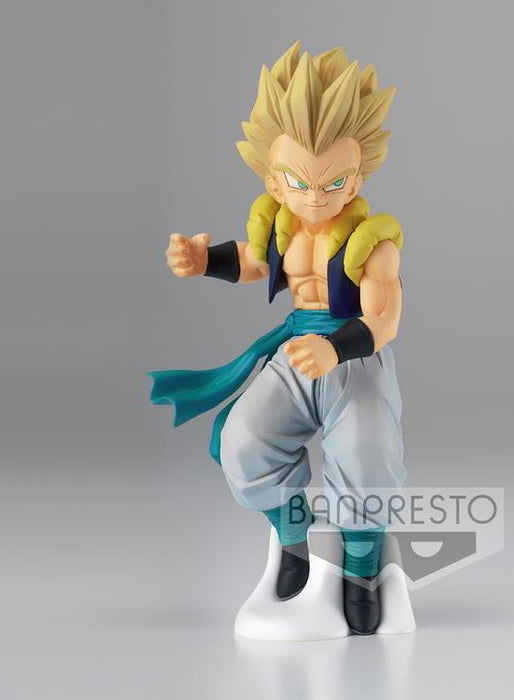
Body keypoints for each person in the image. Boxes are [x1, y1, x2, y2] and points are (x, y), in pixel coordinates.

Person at [149, 42, 405, 635]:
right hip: (295, 354)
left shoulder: (374, 242)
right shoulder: (283, 223)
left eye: (332, 181)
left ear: (355, 178)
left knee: (367, 457)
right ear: (274, 180)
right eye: (299, 181)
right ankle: (293, 540)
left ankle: (361, 567)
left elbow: (384, 320)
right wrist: (202, 260)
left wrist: (336, 348)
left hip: (353, 358)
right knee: (244, 441)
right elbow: (255, 261)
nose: (316, 196)